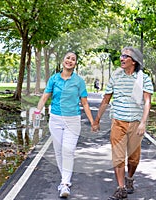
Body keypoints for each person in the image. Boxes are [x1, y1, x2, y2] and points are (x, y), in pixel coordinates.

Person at [92, 47, 153, 200]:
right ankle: (121, 188)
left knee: (133, 159)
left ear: (134, 61)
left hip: (135, 122)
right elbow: (106, 99)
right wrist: (96, 120)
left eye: (126, 56)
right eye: (121, 55)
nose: (121, 58)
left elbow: (147, 102)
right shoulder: (116, 77)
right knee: (118, 157)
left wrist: (143, 123)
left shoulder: (143, 78)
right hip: (118, 121)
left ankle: (130, 179)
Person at [33, 51, 94, 198]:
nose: (70, 61)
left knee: (68, 151)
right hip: (55, 119)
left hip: (73, 120)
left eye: (73, 59)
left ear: (75, 64)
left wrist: (93, 121)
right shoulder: (54, 79)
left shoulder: (79, 81)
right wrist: (37, 112)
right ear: (63, 61)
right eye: (68, 58)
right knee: (59, 151)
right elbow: (44, 97)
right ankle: (64, 179)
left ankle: (65, 184)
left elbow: (84, 103)